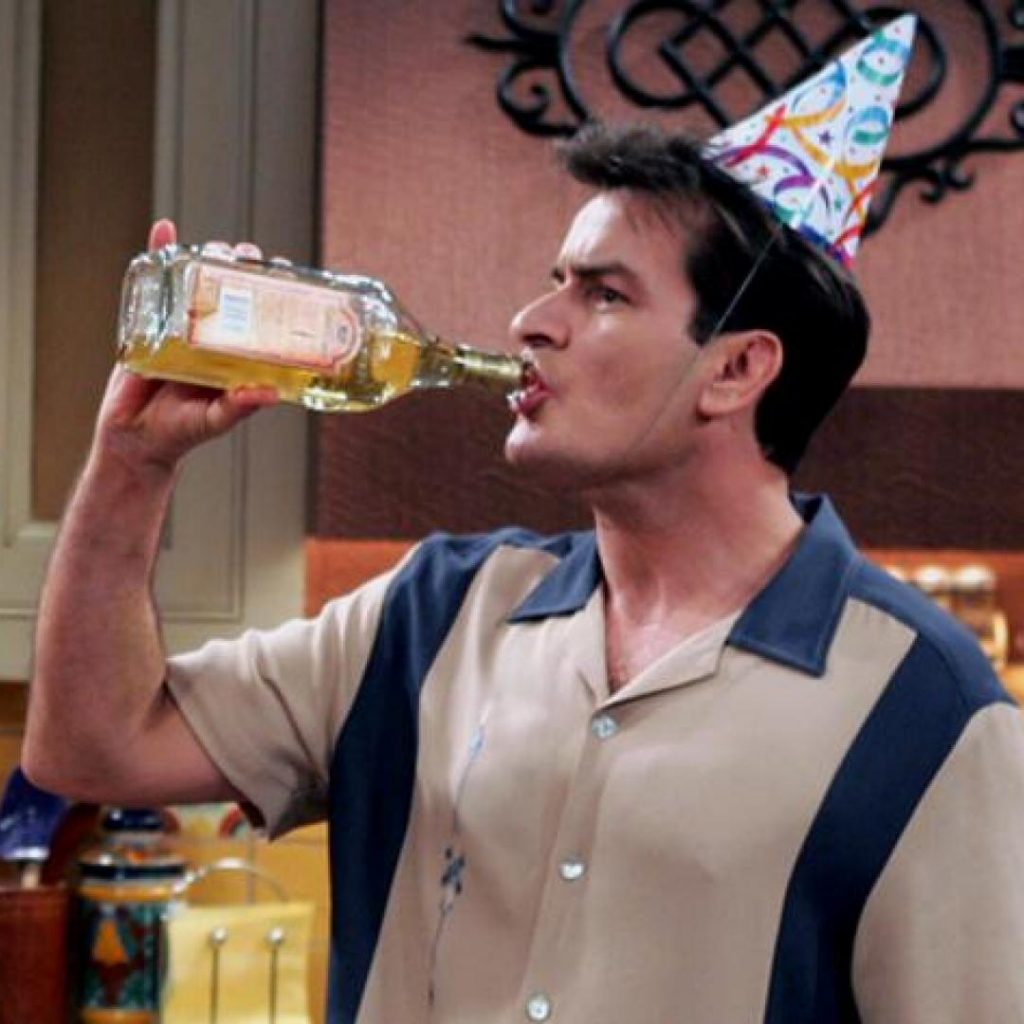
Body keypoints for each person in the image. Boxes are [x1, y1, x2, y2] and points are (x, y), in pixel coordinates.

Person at [23, 17, 1024, 1024]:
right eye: (557, 282)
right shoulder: (430, 615)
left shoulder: (928, 711)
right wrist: (133, 463)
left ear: (734, 369)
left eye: (604, 295)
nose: (532, 323)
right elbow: (88, 748)